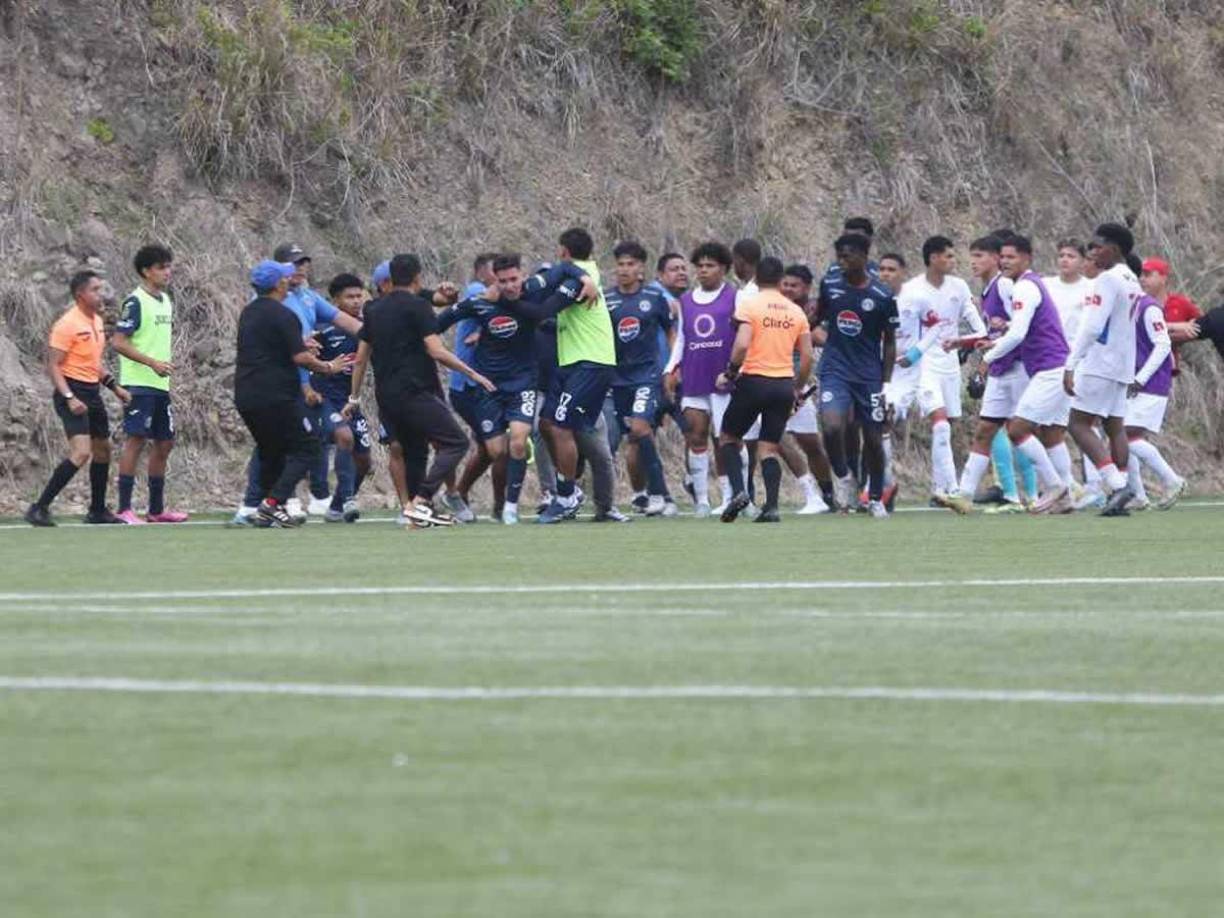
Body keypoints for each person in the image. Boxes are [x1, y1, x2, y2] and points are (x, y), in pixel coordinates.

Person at [345, 254, 494, 527]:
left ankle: (415, 515)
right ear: (417, 277)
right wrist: (472, 373)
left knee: (416, 452)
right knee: (456, 442)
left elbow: (360, 358)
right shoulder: (418, 307)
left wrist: (353, 398)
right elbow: (436, 351)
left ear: (389, 279)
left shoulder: (374, 310)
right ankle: (422, 500)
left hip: (386, 396)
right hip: (414, 390)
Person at [230, 242, 363, 526]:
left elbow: (272, 346)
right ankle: (271, 502)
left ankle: (258, 507)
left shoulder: (251, 311)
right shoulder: (283, 314)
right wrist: (328, 366)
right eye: (288, 271)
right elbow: (301, 357)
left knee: (270, 449)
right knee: (308, 448)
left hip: (246, 392)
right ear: (279, 283)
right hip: (277, 393)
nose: (296, 273)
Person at [948, 235, 1071, 514]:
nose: (1004, 262)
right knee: (1037, 431)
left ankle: (1054, 486)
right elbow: (1015, 328)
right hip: (1041, 367)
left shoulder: (1024, 287)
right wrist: (987, 342)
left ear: (1026, 259)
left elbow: (1018, 332)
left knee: (1020, 429)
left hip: (1047, 367)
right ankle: (1064, 495)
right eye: (1002, 257)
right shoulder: (1020, 285)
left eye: (1010, 257)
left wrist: (987, 359)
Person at [435, 254, 553, 525]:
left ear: (522, 276)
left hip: (523, 384)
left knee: (519, 441)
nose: (510, 286)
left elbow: (552, 305)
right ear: (494, 281)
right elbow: (437, 325)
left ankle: (509, 507)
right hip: (487, 386)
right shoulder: (479, 303)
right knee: (496, 451)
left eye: (514, 279)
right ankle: (471, 497)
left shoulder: (533, 297)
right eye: (503, 281)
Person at [25, 271, 132, 527]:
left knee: (103, 450)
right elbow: (53, 366)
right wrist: (70, 397)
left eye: (101, 288)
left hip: (92, 393)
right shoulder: (66, 324)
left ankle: (97, 511)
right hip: (71, 392)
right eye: (95, 289)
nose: (101, 294)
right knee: (81, 452)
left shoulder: (96, 321)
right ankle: (38, 508)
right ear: (80, 295)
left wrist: (115, 388)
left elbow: (93, 364)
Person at [716, 257, 813, 522]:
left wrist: (731, 372)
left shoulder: (750, 305)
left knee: (728, 438)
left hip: (753, 381)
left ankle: (739, 492)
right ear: (782, 280)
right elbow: (806, 357)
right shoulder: (795, 311)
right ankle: (771, 507)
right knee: (768, 448)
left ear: (756, 278)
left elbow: (742, 345)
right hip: (782, 385)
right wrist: (797, 388)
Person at [533, 228, 620, 524]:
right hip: (571, 363)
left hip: (591, 362)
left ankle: (568, 495)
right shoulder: (579, 272)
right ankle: (573, 491)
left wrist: (513, 300)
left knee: (562, 428)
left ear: (563, 251)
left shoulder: (580, 277)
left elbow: (545, 309)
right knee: (546, 423)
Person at [894, 236, 984, 500]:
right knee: (941, 422)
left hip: (950, 364)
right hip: (924, 364)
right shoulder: (912, 290)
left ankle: (938, 488)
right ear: (933, 258)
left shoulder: (959, 286)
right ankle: (953, 489)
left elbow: (979, 329)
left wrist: (961, 341)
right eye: (949, 256)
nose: (954, 261)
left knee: (948, 424)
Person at [1064, 224, 1144, 516]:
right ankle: (1121, 493)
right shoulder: (1132, 278)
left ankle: (1117, 484)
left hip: (1100, 363)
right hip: (1122, 364)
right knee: (1114, 426)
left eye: (1098, 246)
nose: (1093, 252)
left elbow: (1094, 326)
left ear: (1116, 249)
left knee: (1078, 424)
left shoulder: (1108, 279)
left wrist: (1071, 363)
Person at [815, 233, 898, 515]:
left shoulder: (883, 295)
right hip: (835, 369)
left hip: (869, 376)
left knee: (873, 439)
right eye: (839, 256)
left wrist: (887, 384)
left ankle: (875, 497)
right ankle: (843, 475)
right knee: (831, 426)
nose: (842, 261)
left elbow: (889, 342)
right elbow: (816, 317)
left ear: (864, 257)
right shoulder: (831, 285)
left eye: (847, 256)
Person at [110, 244, 188, 524]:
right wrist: (151, 363)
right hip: (137, 384)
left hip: (160, 386)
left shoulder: (165, 301)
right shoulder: (134, 302)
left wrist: (162, 365)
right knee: (136, 440)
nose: (167, 272)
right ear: (146, 271)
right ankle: (124, 509)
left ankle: (156, 510)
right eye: (161, 267)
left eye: (169, 266)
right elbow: (118, 342)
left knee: (165, 443)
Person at [665, 242, 738, 517]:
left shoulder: (735, 297)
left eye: (710, 266)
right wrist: (670, 368)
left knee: (725, 439)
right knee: (696, 436)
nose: (704, 271)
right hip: (695, 377)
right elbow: (682, 338)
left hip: (723, 380)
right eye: (701, 266)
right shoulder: (686, 301)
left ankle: (731, 495)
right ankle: (702, 501)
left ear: (724, 269)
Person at [605, 241, 675, 516]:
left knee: (640, 429)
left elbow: (671, 332)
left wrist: (671, 365)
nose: (624, 269)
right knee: (632, 441)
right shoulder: (605, 299)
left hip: (646, 376)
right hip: (616, 379)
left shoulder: (654, 299)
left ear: (641, 268)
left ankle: (659, 495)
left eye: (630, 264)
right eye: (620, 264)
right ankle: (658, 496)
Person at [446, 253, 503, 523]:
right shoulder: (476, 290)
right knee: (494, 447)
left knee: (488, 446)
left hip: (482, 384)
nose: (501, 279)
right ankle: (498, 506)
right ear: (482, 273)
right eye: (496, 272)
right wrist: (483, 332)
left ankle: (461, 492)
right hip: (467, 386)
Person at [1125, 267, 1185, 509]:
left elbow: (1162, 345)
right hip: (1135, 382)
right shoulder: (1128, 307)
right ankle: (1138, 495)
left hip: (1150, 383)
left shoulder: (1148, 308)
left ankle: (1173, 479)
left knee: (1126, 435)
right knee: (1123, 436)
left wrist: (1141, 378)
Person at [314, 273, 370, 522]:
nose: (356, 301)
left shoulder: (367, 327)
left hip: (351, 399)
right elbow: (304, 358)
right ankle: (348, 499)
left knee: (364, 461)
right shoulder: (323, 328)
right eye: (350, 297)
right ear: (336, 300)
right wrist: (324, 366)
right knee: (343, 437)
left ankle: (336, 508)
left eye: (359, 296)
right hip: (325, 398)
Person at [778, 263, 832, 513]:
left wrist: (801, 386)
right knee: (773, 438)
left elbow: (823, 338)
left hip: (800, 384)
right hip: (774, 383)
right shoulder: (775, 309)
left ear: (806, 289)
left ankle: (828, 494)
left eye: (794, 285)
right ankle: (810, 493)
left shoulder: (814, 311)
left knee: (811, 443)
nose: (788, 289)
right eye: (785, 284)